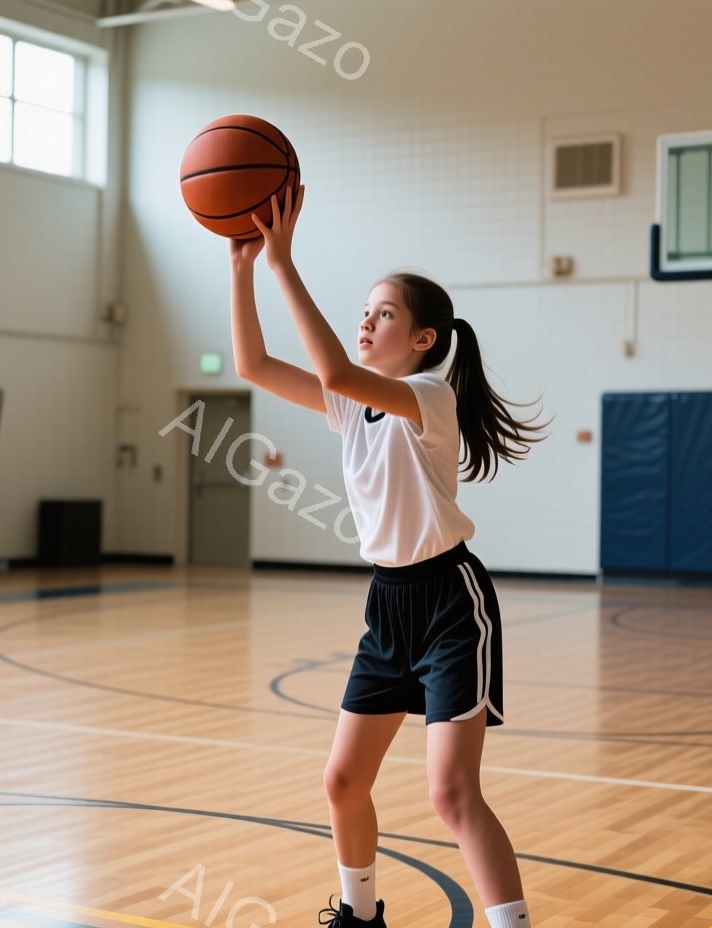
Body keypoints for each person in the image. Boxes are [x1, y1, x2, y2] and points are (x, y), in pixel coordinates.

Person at [228, 184, 548, 928]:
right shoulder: (356, 407)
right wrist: (242, 265)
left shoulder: (430, 398)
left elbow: (335, 373)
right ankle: (360, 915)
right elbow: (251, 364)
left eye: (384, 314)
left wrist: (284, 264)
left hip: (450, 603)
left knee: (451, 794)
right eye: (364, 312)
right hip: (388, 602)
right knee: (342, 779)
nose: (367, 322)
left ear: (424, 339)